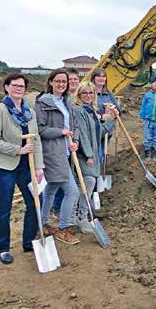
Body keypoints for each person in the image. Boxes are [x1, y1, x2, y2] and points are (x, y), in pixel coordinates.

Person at [0, 74, 44, 264]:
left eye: (22, 86)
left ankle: (28, 242)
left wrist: (39, 166)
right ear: (6, 87)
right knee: (4, 207)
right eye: (15, 85)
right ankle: (3, 248)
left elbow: (36, 140)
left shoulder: (30, 112)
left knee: (36, 201)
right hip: (3, 166)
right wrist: (17, 150)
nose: (19, 88)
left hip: (26, 166)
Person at [35, 68, 80, 245]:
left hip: (65, 151)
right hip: (52, 153)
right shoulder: (43, 103)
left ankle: (43, 223)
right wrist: (61, 132)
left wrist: (73, 140)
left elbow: (72, 126)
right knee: (72, 191)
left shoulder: (66, 102)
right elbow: (40, 129)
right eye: (58, 81)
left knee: (51, 190)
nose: (61, 84)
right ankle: (63, 228)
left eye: (64, 82)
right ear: (51, 82)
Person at [72, 81, 117, 233]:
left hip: (92, 153)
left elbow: (100, 132)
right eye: (85, 93)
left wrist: (110, 118)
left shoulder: (91, 110)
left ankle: (77, 214)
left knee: (86, 184)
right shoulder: (78, 110)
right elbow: (82, 134)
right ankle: (81, 217)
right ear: (79, 94)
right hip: (83, 155)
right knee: (88, 182)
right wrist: (89, 155)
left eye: (91, 93)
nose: (88, 96)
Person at [52, 67, 81, 219]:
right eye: (70, 80)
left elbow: (75, 124)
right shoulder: (63, 100)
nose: (73, 82)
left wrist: (75, 140)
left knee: (69, 181)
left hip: (72, 146)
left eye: (76, 79)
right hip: (59, 148)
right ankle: (57, 209)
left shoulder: (80, 97)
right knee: (60, 181)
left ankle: (65, 207)